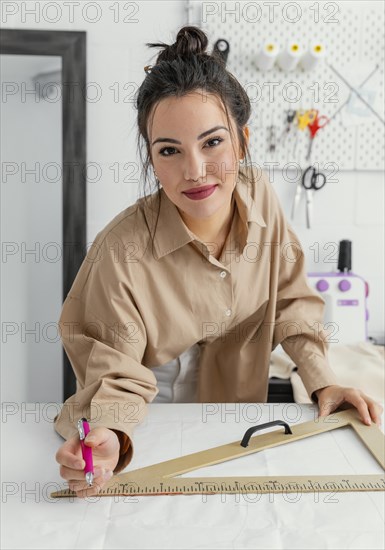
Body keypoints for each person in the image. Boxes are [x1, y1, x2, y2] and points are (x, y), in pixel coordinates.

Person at [54, 25, 383, 498]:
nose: (194, 171)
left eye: (212, 143)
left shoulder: (262, 196)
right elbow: (115, 371)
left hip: (234, 410)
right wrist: (110, 436)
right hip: (152, 415)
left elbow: (291, 299)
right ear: (151, 160)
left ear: (242, 141)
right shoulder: (122, 250)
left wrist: (323, 382)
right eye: (169, 151)